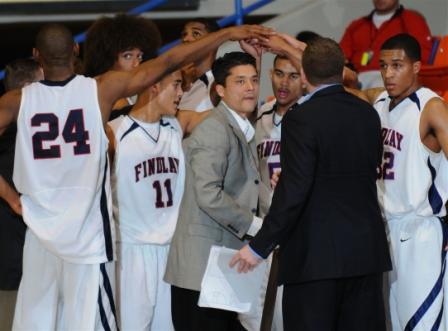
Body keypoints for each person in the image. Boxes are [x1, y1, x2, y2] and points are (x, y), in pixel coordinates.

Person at [0, 22, 272, 330]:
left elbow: (215, 101)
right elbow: (168, 61)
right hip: (95, 238)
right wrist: (226, 34)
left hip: (42, 233)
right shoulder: (100, 91)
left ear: (37, 55)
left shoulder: (17, 101)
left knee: (39, 322)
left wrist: (14, 200)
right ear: (76, 49)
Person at [231, 37, 391, 331]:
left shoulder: (300, 118)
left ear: (303, 75)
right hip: (365, 253)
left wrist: (259, 247)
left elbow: (296, 191)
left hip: (315, 259)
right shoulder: (367, 113)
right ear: (340, 71)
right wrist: (297, 177)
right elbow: (359, 172)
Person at [351, 33, 448, 331]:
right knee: (391, 323)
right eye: (383, 66)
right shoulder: (380, 100)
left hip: (421, 232)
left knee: (422, 325)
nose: (388, 73)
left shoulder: (431, 107)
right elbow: (331, 79)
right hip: (384, 230)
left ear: (417, 67)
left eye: (397, 65)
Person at [164, 51, 263, 330]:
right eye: (240, 81)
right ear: (220, 90)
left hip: (217, 267)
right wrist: (255, 225)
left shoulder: (239, 127)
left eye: (254, 80)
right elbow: (208, 193)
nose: (250, 88)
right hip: (200, 269)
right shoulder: (215, 129)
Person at [108, 69, 209, 331]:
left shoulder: (176, 125)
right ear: (153, 86)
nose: (181, 92)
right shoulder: (114, 134)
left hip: (171, 252)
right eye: (176, 85)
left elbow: (231, 116)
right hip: (131, 252)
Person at [0, 58, 43, 331]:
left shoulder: (34, 127)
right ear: (27, 88)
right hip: (11, 252)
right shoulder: (8, 127)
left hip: (33, 248)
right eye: (44, 84)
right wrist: (12, 199)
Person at [340, 0, 432, 88]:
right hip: (356, 78)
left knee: (379, 85)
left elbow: (422, 57)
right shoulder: (357, 25)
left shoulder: (412, 21)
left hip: (392, 77)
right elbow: (340, 57)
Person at [83, 14, 162, 110]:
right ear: (107, 59)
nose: (136, 63)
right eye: (127, 56)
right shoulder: (113, 101)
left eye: (139, 56)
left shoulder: (136, 94)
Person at [178, 18, 220, 112]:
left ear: (215, 42)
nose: (186, 39)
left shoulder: (220, 82)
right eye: (184, 34)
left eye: (196, 33)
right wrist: (185, 87)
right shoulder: (173, 82)